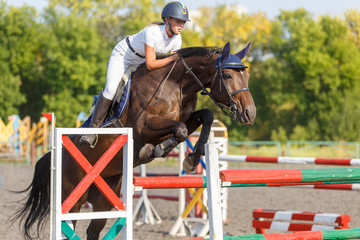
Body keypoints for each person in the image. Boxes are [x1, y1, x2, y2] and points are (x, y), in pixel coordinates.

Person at [81, 1, 190, 147]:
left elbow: (170, 68)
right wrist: (173, 59)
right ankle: (92, 130)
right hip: (123, 57)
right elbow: (152, 64)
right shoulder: (152, 32)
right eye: (178, 21)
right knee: (111, 89)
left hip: (140, 62)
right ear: (167, 20)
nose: (181, 25)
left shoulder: (177, 40)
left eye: (183, 22)